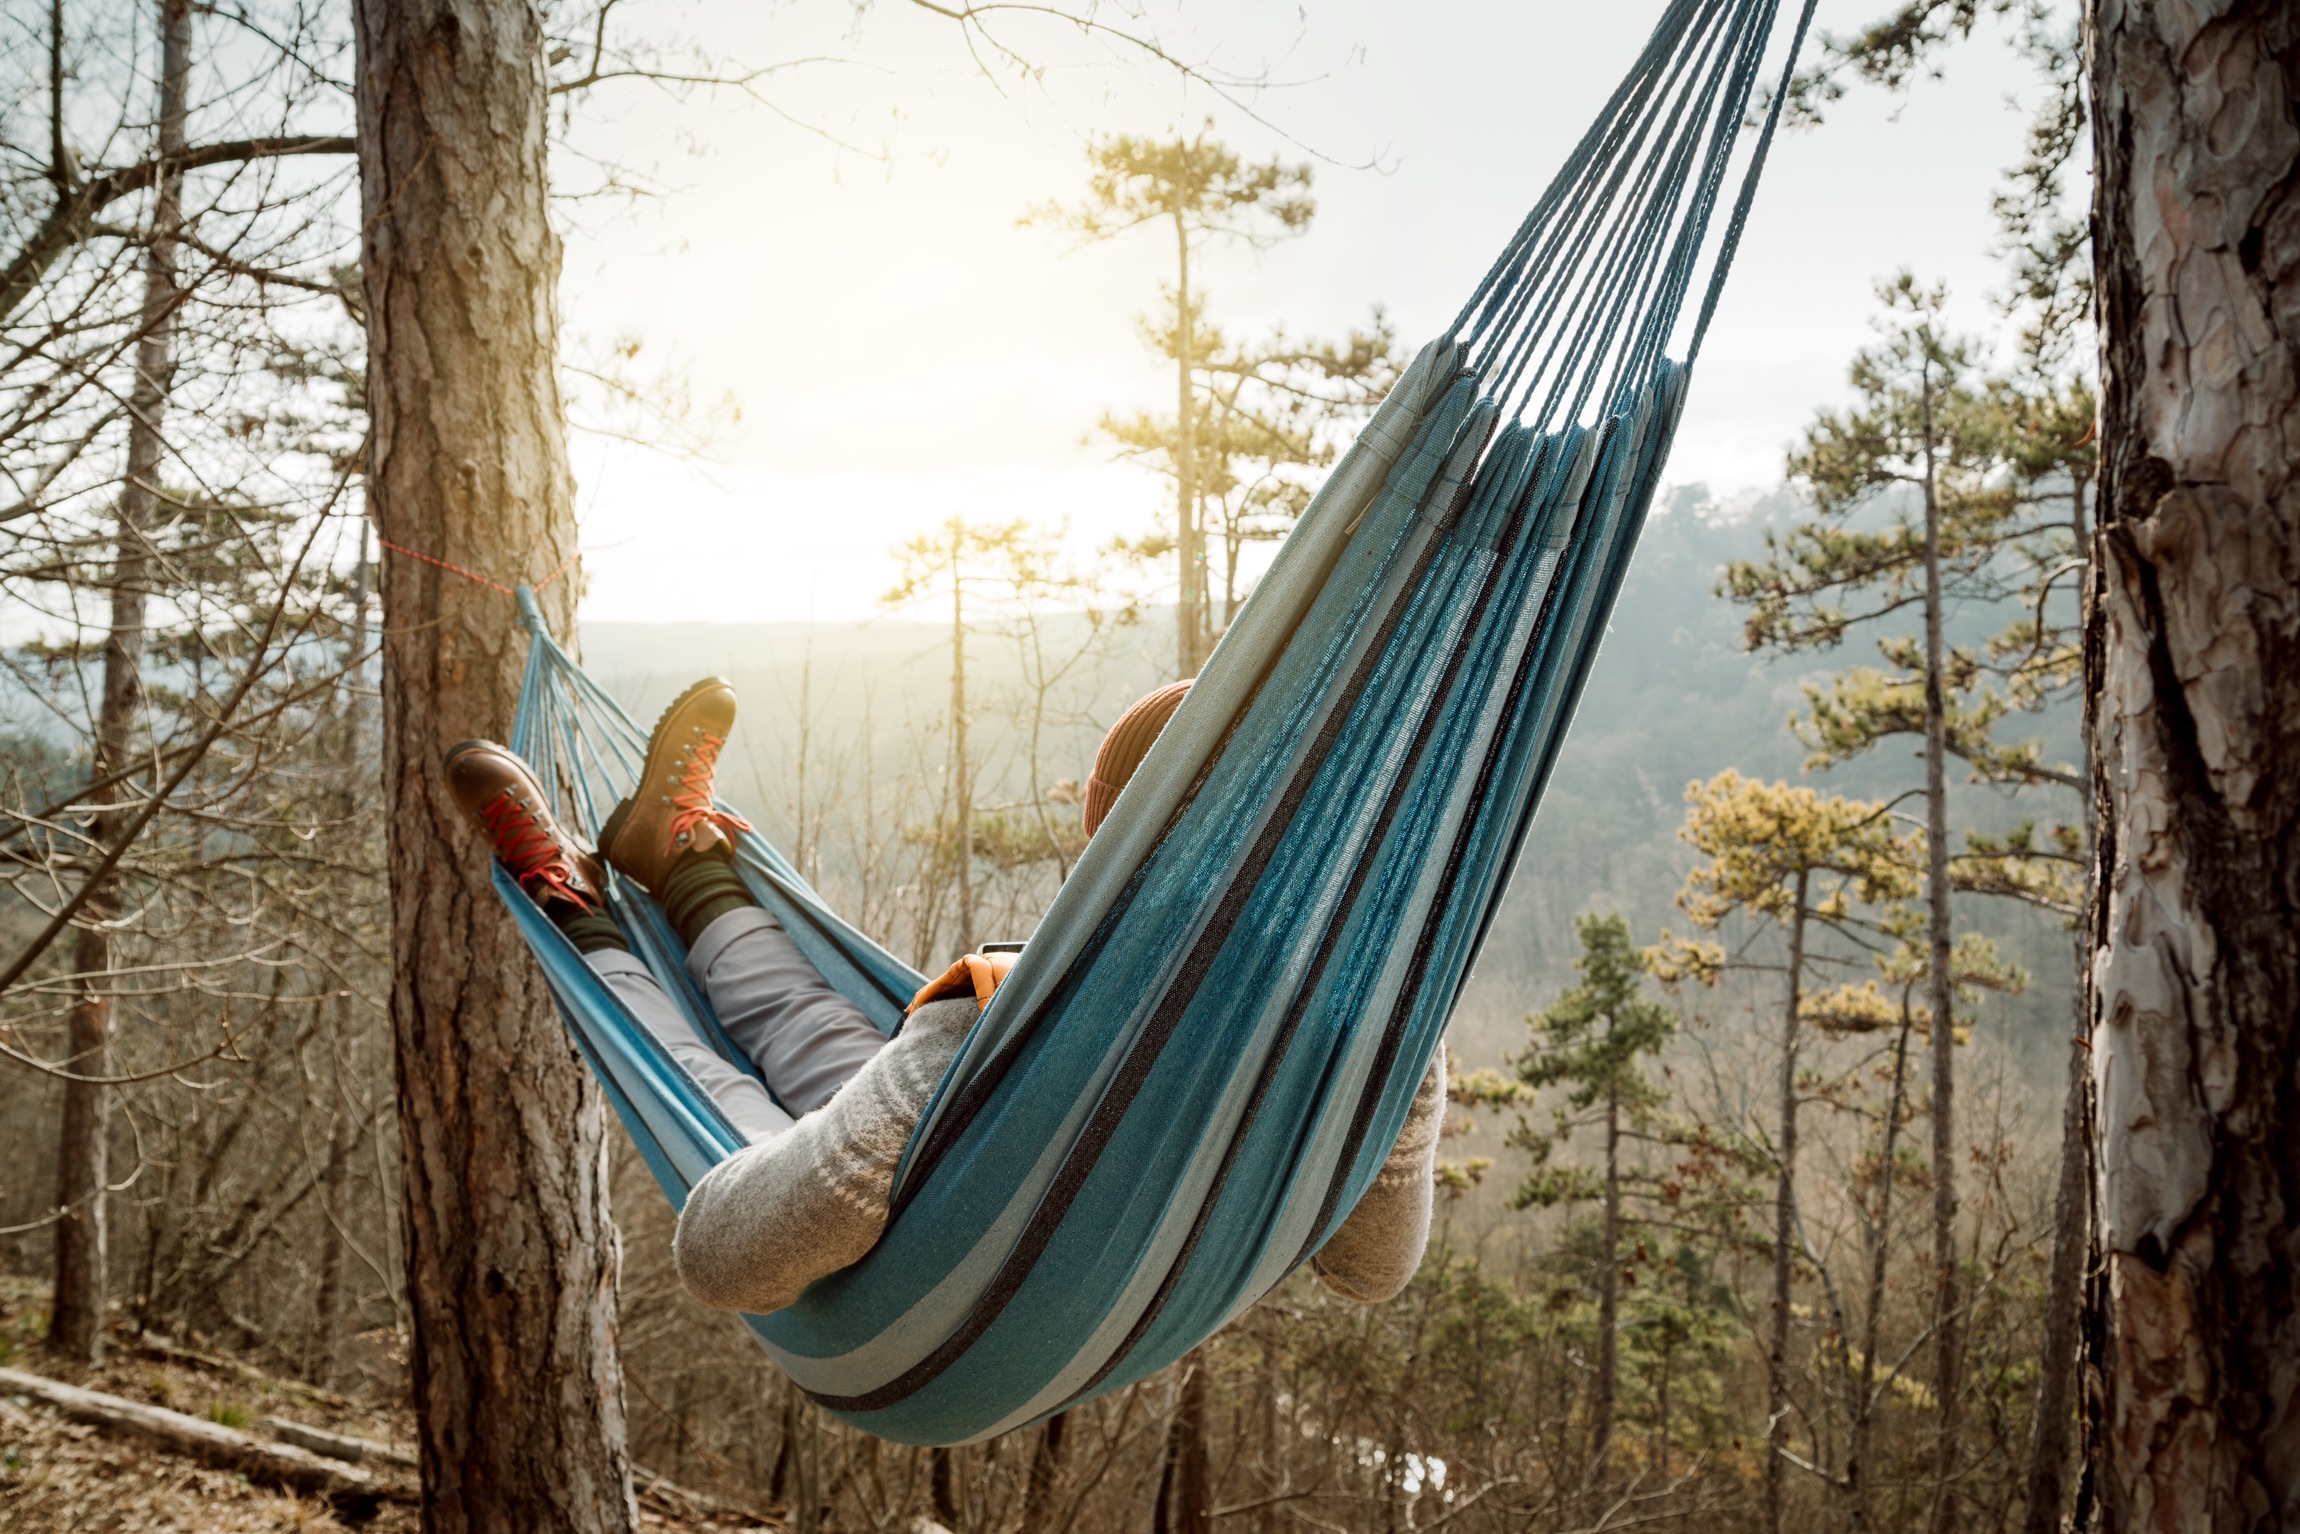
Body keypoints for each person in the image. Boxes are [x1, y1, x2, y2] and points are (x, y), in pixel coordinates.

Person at [446, 676, 1446, 1316]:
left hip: (905, 1278)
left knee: (716, 1098)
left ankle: (574, 905)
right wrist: (1412, 1058)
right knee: (823, 1028)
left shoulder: (1009, 1014)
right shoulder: (1360, 1040)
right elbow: (1370, 1270)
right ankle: (677, 866)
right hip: (1023, 1245)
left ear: (1109, 844)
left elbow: (722, 1258)